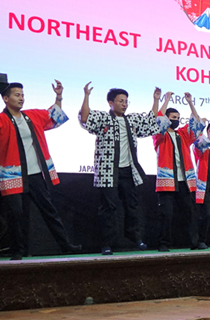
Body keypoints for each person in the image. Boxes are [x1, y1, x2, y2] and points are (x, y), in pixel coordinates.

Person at [80, 84, 170, 254]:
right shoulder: (103, 118)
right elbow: (85, 118)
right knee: (108, 208)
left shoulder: (132, 120)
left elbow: (151, 121)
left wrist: (156, 100)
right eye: (120, 101)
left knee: (132, 205)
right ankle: (107, 243)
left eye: (126, 101)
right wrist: (86, 95)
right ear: (110, 103)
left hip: (128, 169)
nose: (124, 104)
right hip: (108, 170)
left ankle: (135, 238)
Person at [0, 80, 81, 260]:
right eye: (17, 95)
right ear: (5, 99)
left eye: (22, 95)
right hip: (11, 174)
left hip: (35, 173)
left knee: (48, 210)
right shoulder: (2, 120)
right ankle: (17, 250)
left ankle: (65, 245)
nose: (21, 98)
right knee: (15, 214)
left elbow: (55, 116)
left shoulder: (32, 115)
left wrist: (59, 96)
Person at [152, 92, 205, 251]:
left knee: (190, 212)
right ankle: (163, 243)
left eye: (178, 118)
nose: (176, 120)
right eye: (173, 117)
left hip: (185, 180)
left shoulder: (182, 134)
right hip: (167, 179)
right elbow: (157, 119)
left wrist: (190, 103)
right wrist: (165, 99)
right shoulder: (159, 135)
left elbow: (197, 124)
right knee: (166, 214)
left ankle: (194, 242)